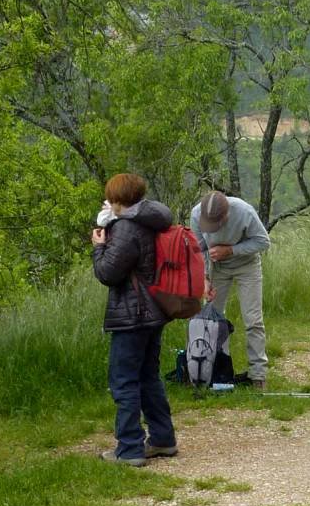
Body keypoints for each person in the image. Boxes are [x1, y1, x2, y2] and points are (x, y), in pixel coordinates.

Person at [92, 173, 178, 466]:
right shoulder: (150, 220)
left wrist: (99, 246)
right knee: (148, 377)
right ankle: (163, 438)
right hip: (154, 311)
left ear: (118, 200)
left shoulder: (126, 228)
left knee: (124, 381)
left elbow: (108, 273)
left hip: (132, 315)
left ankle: (129, 449)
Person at [190, 191, 271, 389]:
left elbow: (263, 241)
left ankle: (258, 375)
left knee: (253, 320)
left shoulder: (244, 211)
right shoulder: (196, 214)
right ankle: (212, 371)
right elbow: (199, 250)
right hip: (217, 268)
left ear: (225, 216)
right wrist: (204, 278)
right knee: (211, 320)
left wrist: (231, 250)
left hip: (247, 266)